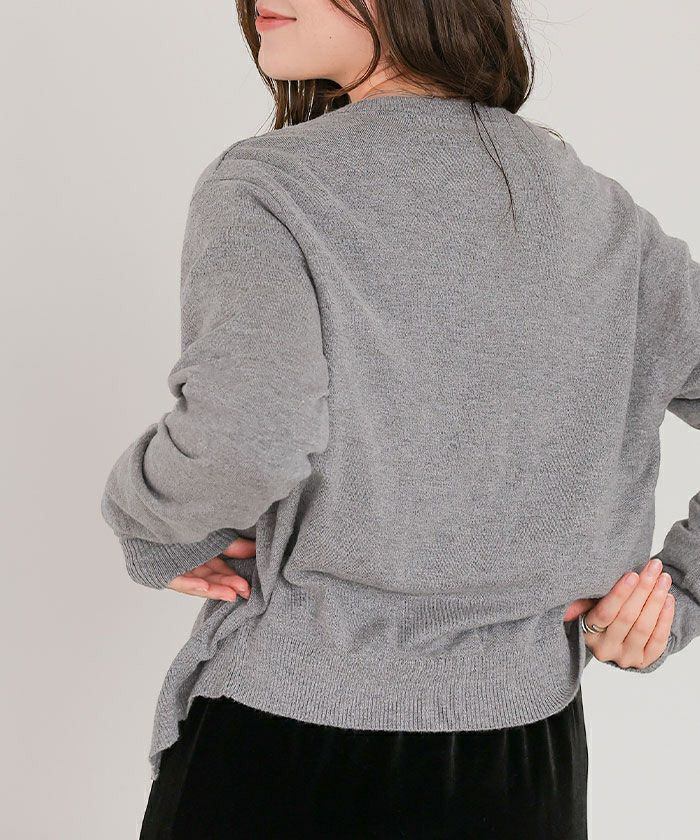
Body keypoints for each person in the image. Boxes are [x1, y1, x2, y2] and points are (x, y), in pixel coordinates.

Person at [100, 1, 700, 838]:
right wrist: (678, 599)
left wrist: (147, 522)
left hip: (287, 742)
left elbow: (246, 438)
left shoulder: (272, 186)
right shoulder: (602, 215)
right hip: (528, 764)